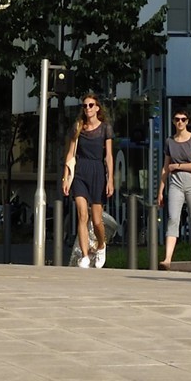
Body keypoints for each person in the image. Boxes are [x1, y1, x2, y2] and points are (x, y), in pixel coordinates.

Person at [61, 92, 115, 269]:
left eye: (91, 105)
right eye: (84, 106)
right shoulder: (78, 127)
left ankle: (101, 245)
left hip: (98, 171)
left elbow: (108, 156)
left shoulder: (105, 128)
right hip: (80, 173)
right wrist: (66, 177)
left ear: (97, 108)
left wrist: (110, 179)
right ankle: (84, 256)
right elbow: (70, 154)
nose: (87, 109)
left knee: (97, 221)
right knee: (82, 215)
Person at [159, 104, 191, 267]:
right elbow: (165, 167)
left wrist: (177, 166)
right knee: (173, 218)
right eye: (177, 119)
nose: (180, 122)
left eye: (183, 119)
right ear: (173, 121)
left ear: (187, 122)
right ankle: (168, 259)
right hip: (175, 183)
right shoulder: (169, 141)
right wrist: (160, 190)